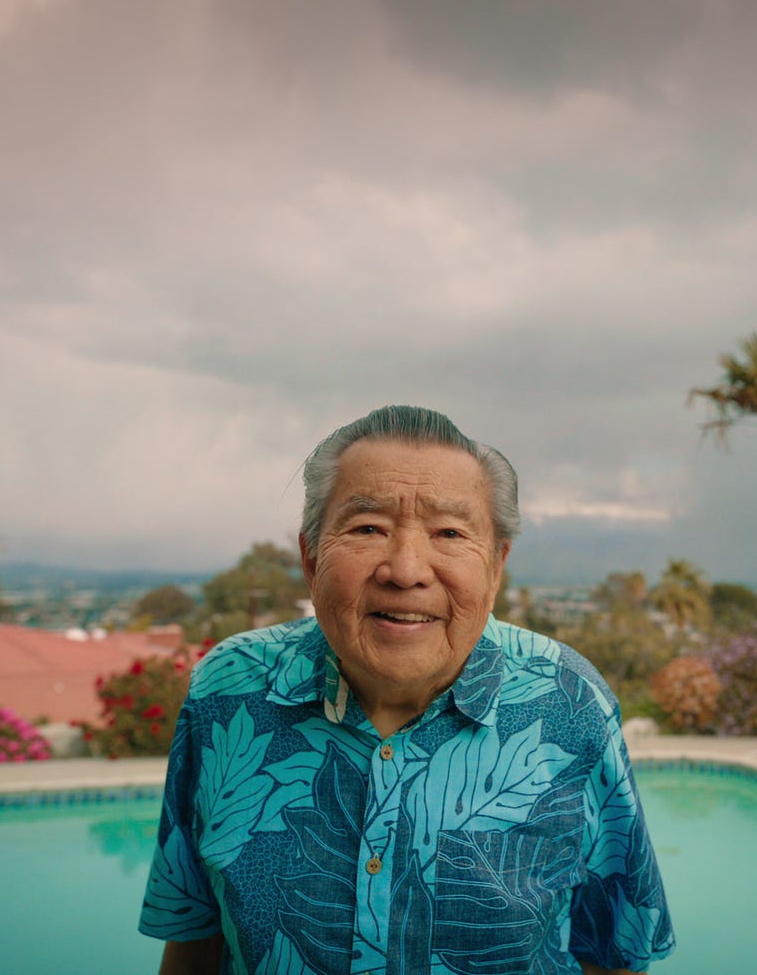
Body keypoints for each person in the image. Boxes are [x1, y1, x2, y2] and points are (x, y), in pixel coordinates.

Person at [140, 405, 675, 975]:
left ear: (496, 567)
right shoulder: (229, 690)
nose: (405, 569)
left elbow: (615, 952)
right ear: (310, 556)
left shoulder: (569, 702)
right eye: (368, 528)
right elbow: (194, 936)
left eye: (449, 533)